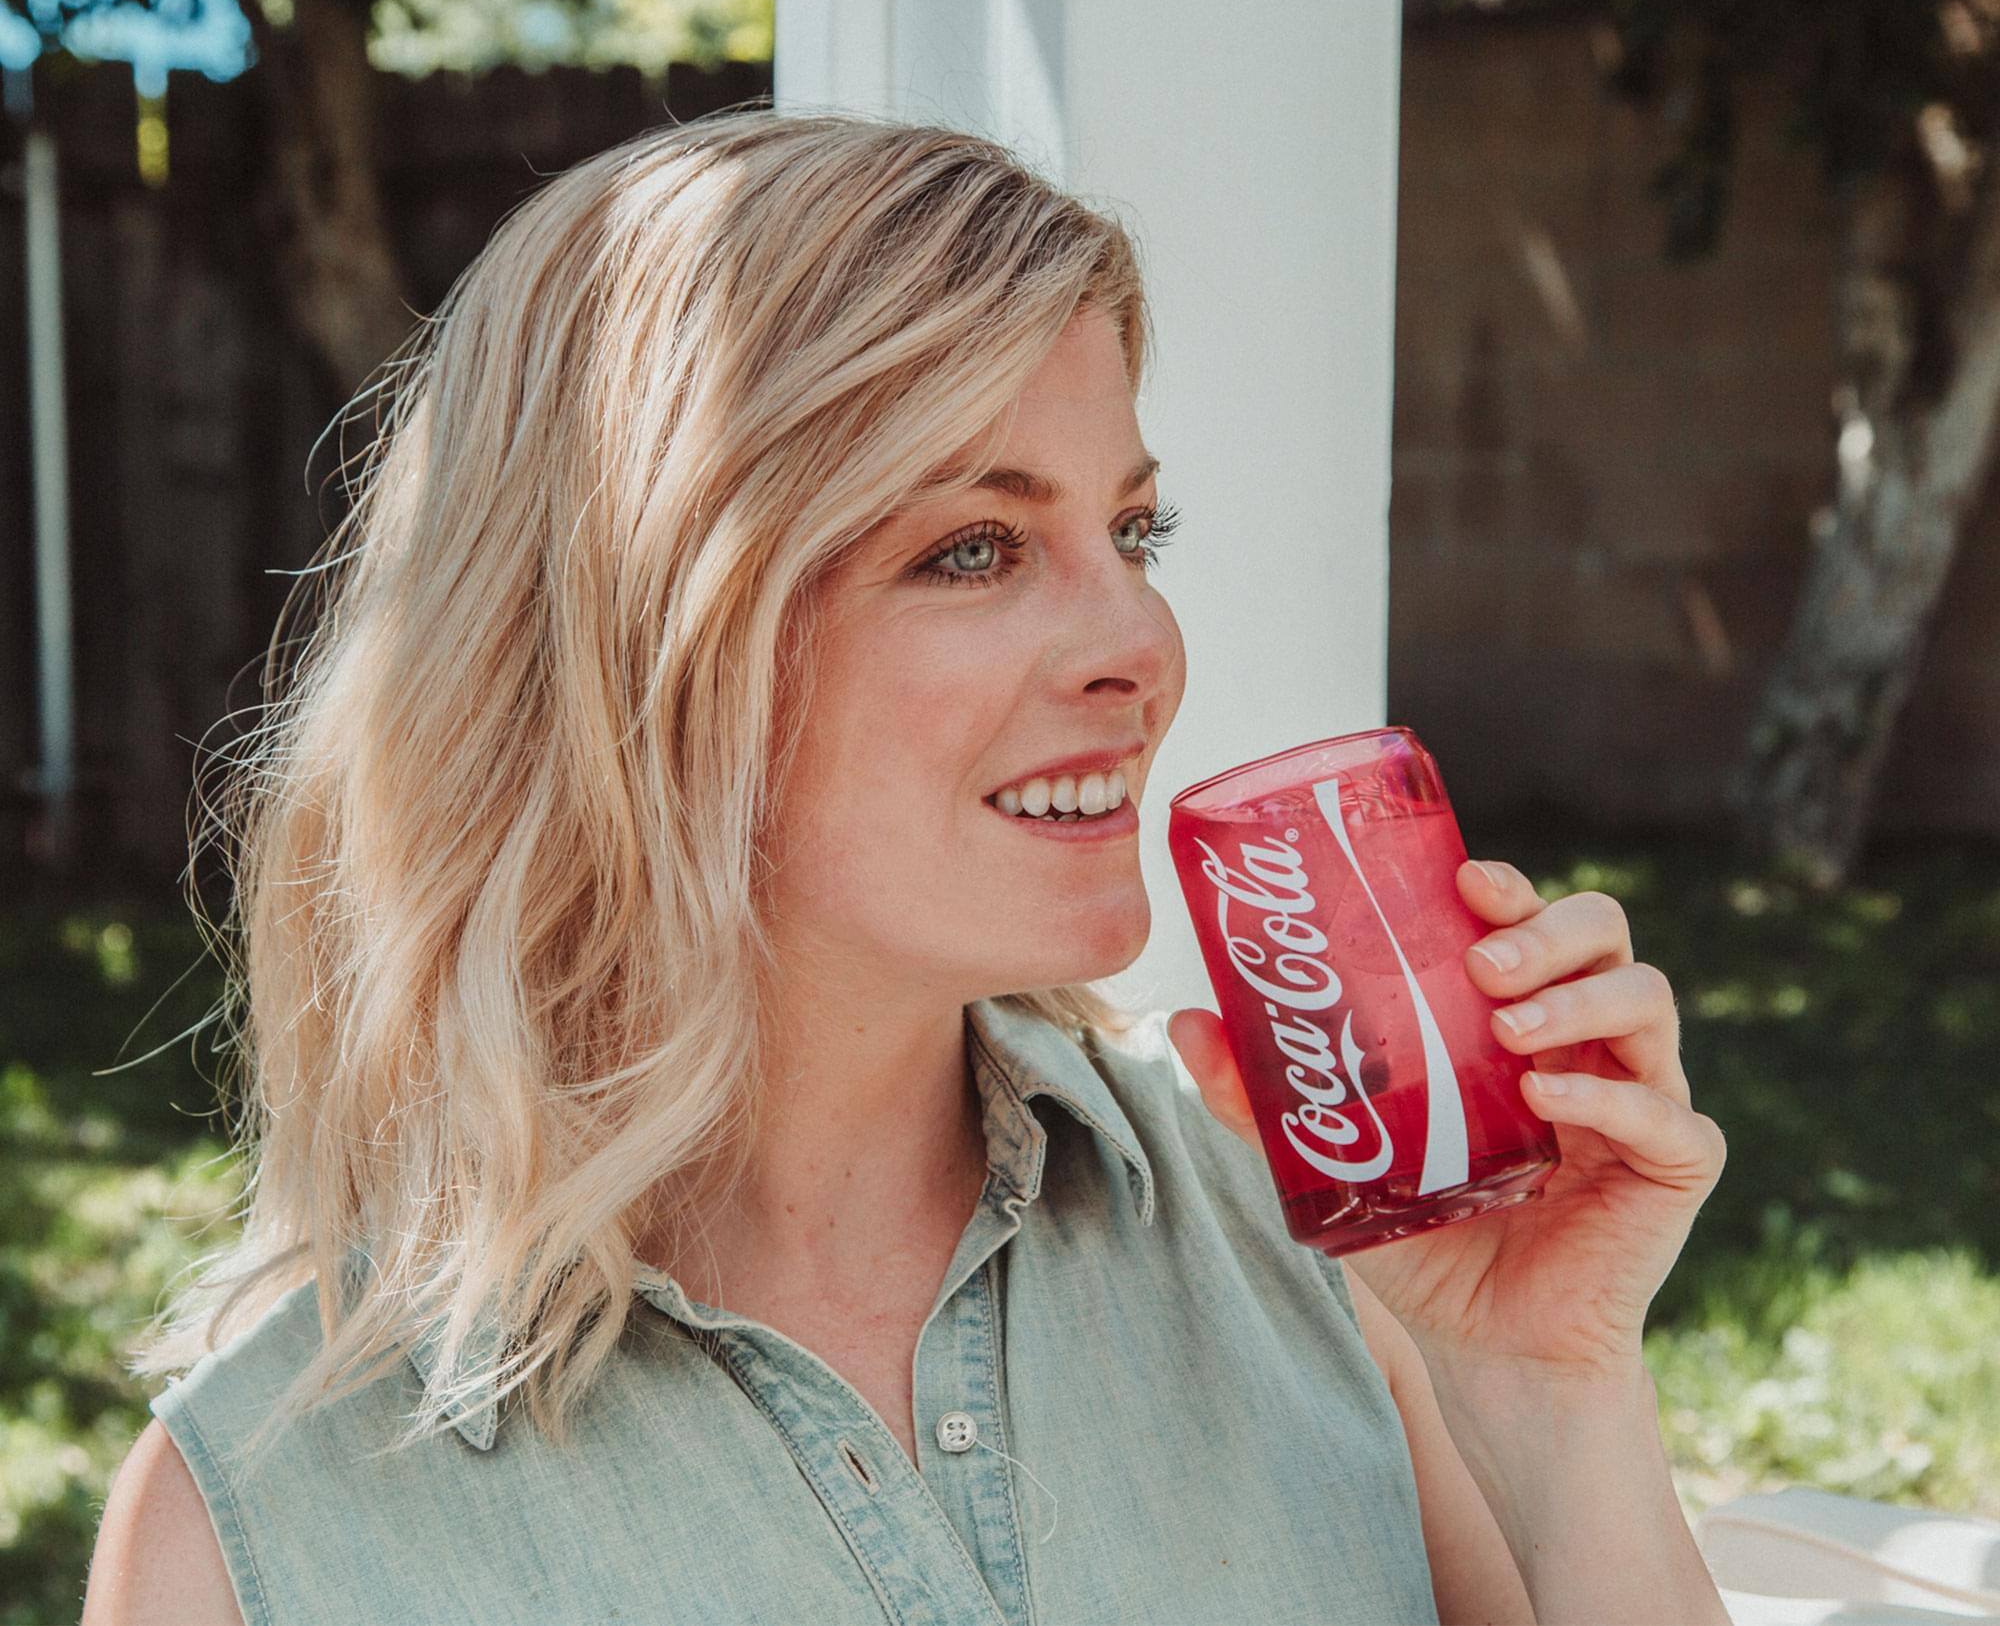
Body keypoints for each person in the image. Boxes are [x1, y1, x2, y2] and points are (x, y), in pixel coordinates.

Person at [81, 108, 1731, 1626]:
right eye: (974, 548)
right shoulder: (263, 1534)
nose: (1142, 644)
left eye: (1133, 532)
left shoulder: (1305, 1245)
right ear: (648, 649)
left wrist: (1550, 1397)